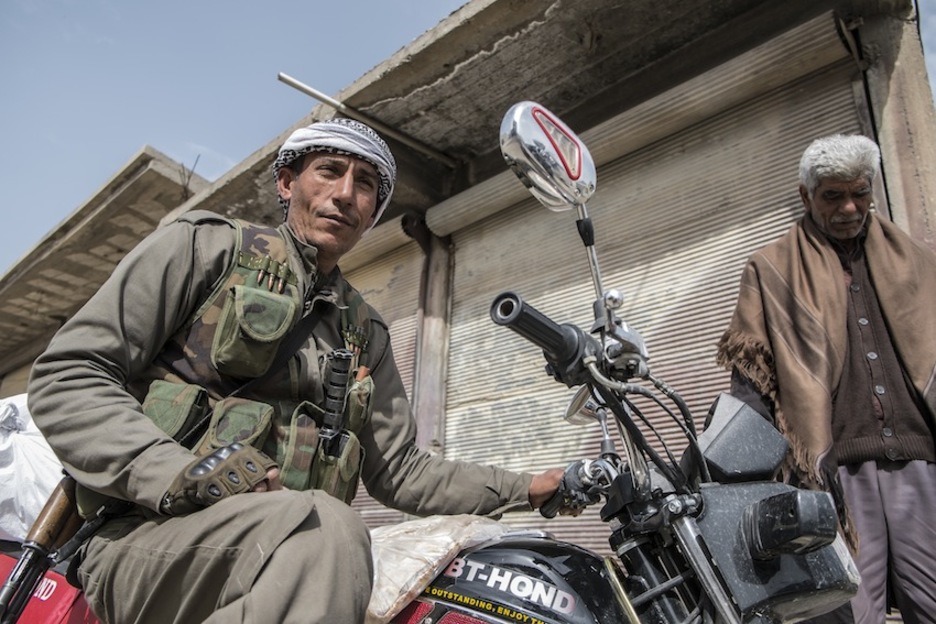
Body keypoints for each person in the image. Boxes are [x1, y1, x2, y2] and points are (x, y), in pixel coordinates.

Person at [26, 117, 564, 623]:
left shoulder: (364, 332)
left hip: (283, 550)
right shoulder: (205, 248)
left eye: (367, 184)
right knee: (326, 531)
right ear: (287, 183)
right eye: (329, 171)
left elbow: (402, 471)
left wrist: (531, 487)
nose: (346, 193)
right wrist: (176, 471)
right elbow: (69, 375)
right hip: (144, 541)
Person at [716, 134, 936, 623]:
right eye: (833, 196)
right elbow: (753, 381)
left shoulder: (918, 263)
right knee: (850, 611)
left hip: (919, 463)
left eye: (860, 193)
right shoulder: (772, 270)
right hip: (836, 474)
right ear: (806, 196)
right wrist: (753, 475)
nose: (849, 208)